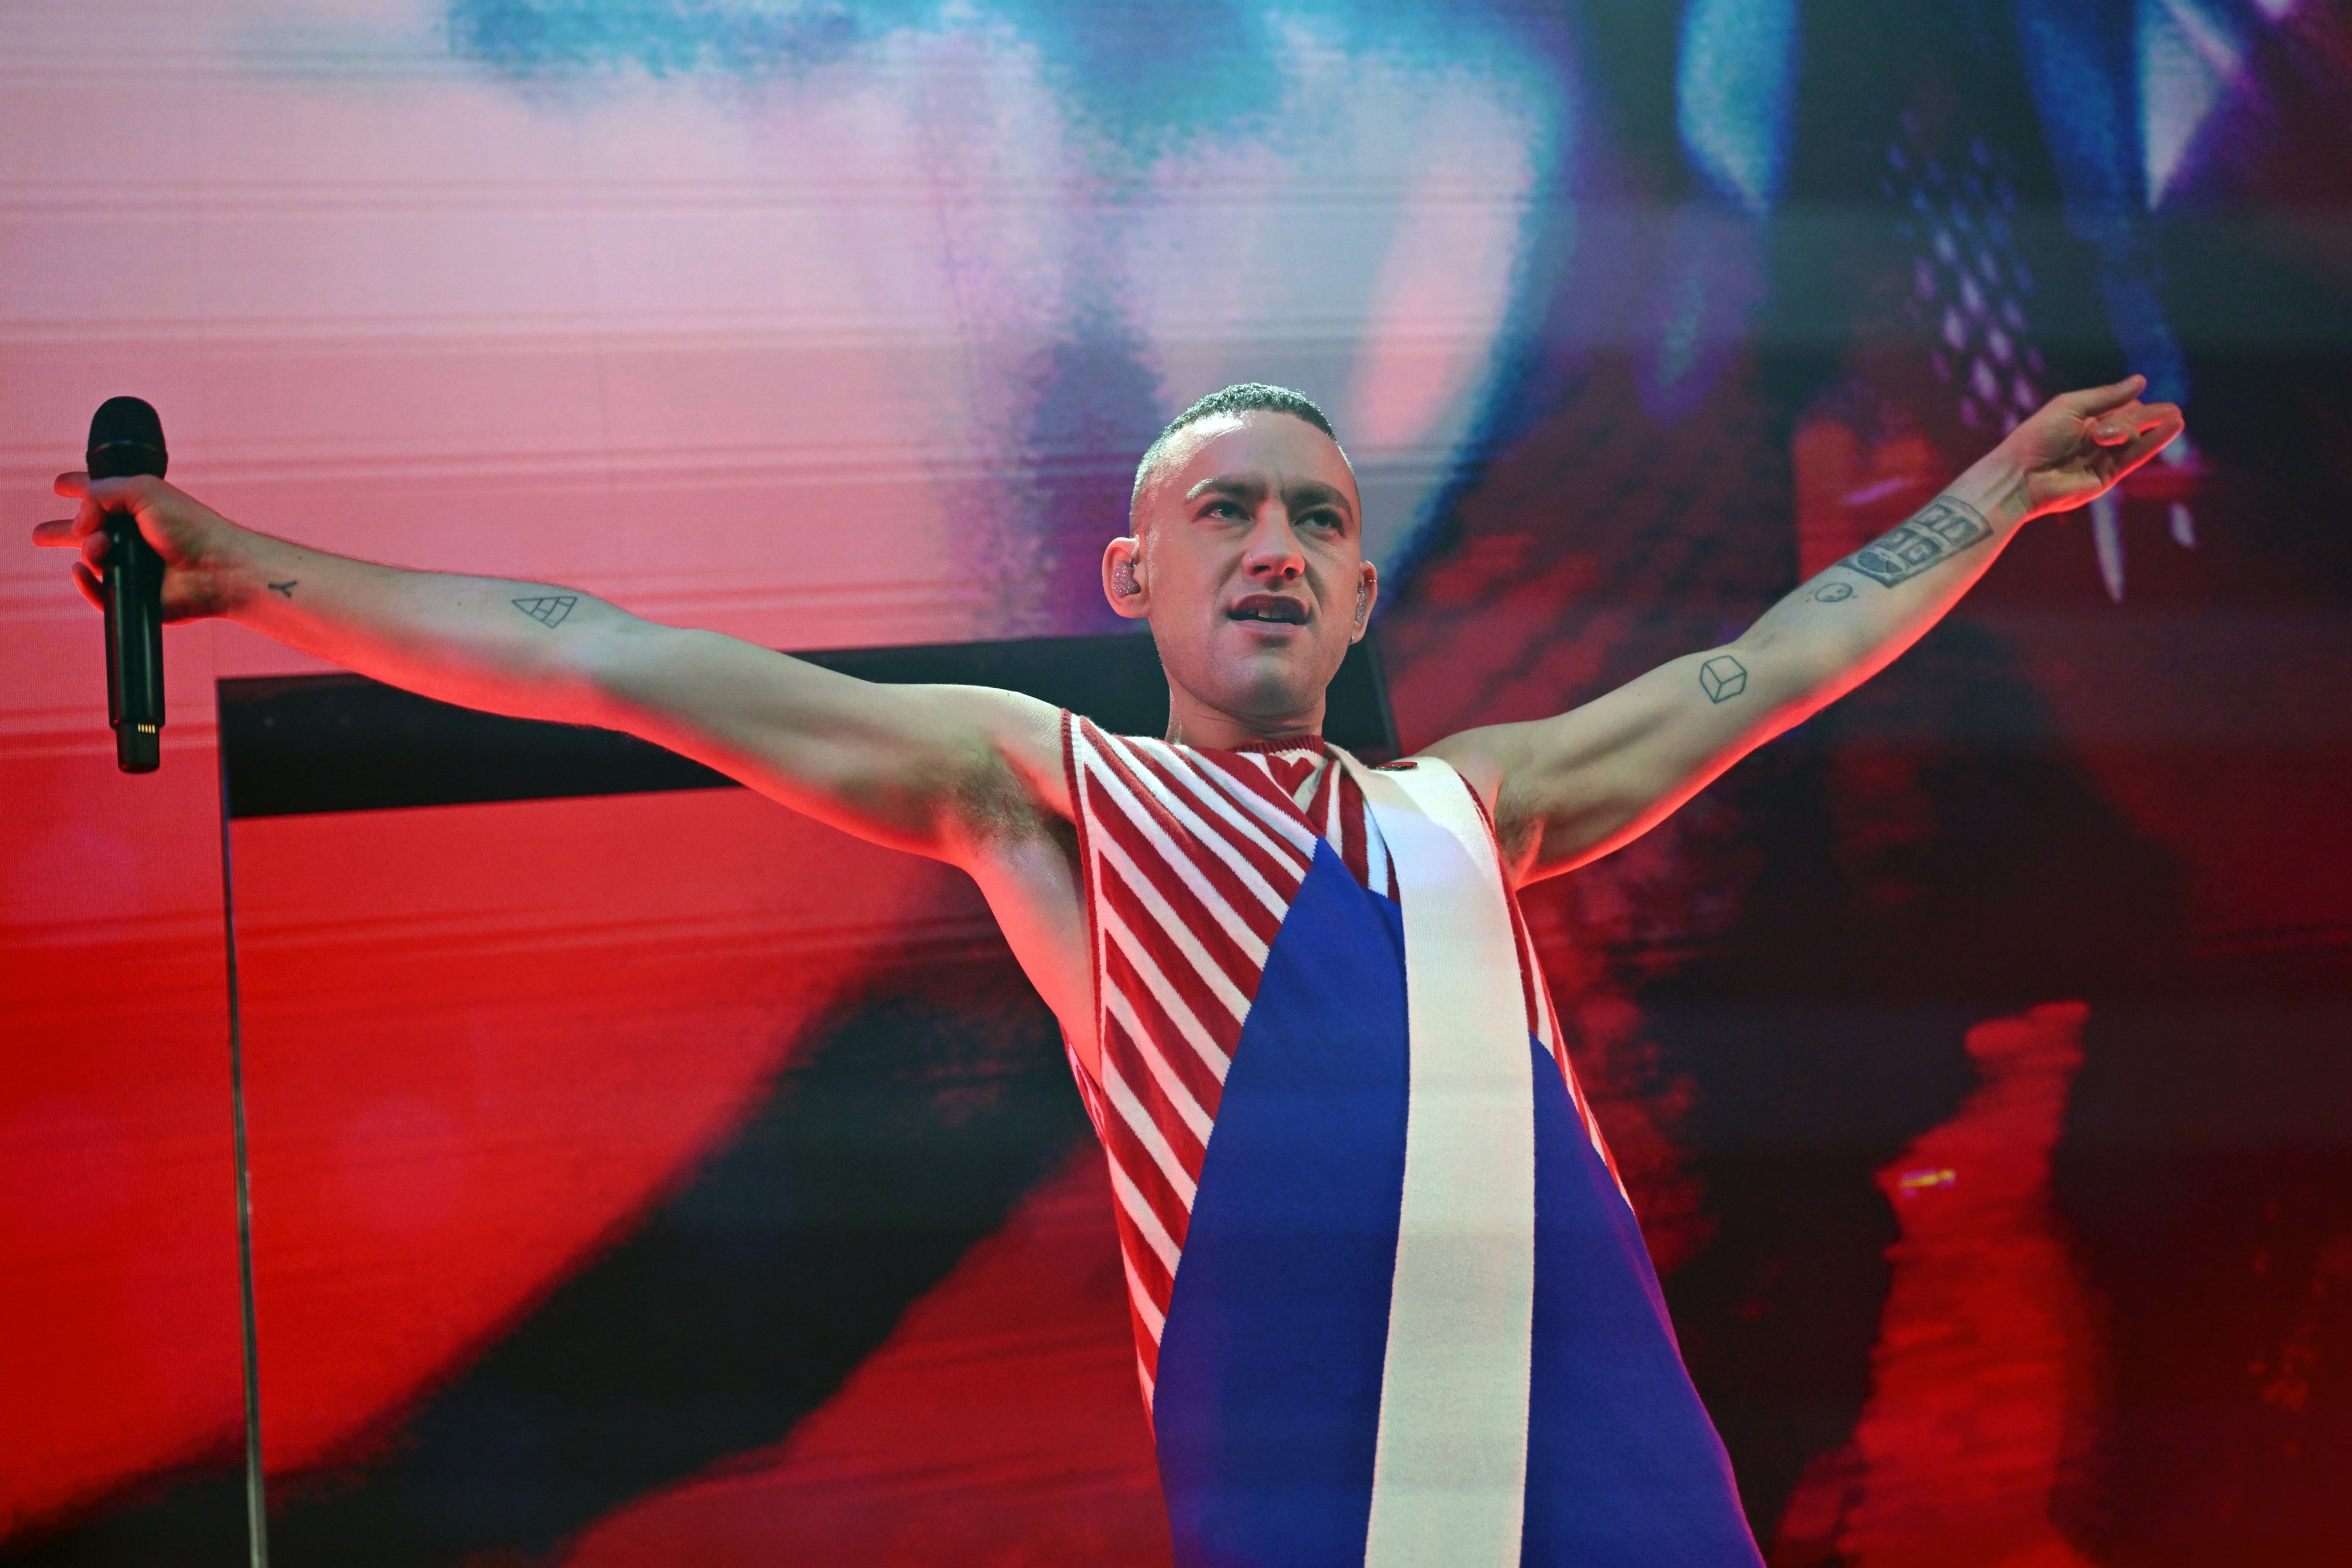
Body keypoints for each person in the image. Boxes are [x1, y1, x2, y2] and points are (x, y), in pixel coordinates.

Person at [35, 376, 2181, 1566]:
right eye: (1224, 509)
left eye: (1317, 519)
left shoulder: (1477, 809)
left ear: (1357, 591)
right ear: (1129, 573)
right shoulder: (1038, 789)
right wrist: (254, 573)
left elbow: (1773, 663)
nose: (1272, 542)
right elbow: (607, 659)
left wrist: (1992, 494)